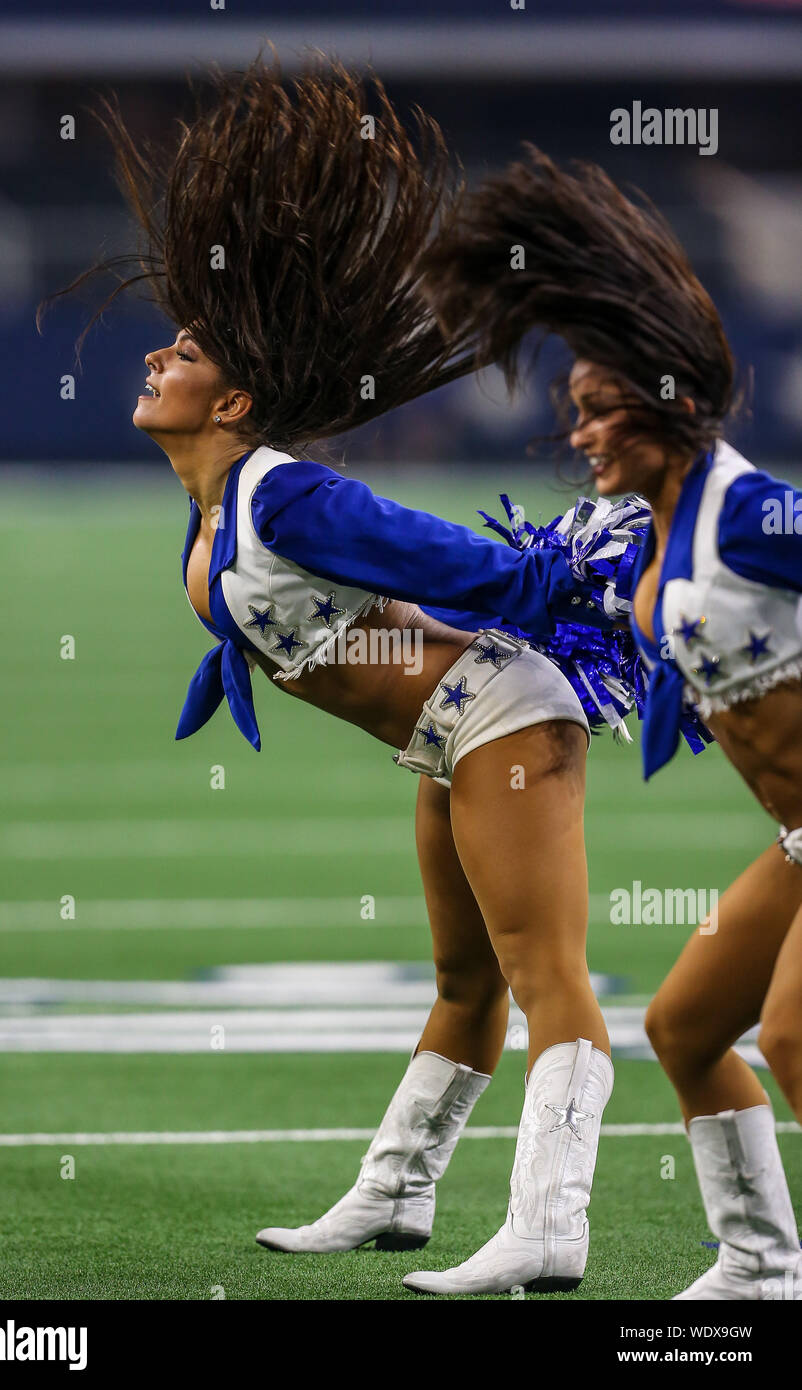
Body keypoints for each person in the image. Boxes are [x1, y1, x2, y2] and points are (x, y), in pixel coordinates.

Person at [48, 71, 636, 1296]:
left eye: (188, 349)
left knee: (545, 977)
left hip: (503, 716)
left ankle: (548, 1224)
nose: (159, 353)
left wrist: (592, 577)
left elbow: (457, 561)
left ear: (238, 402)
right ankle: (393, 1195)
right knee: (464, 981)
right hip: (446, 731)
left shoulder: (286, 492)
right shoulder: (214, 517)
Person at [421, 145, 802, 1299]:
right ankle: (758, 1265)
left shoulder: (750, 513)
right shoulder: (650, 524)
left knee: (786, 1035)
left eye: (595, 412)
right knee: (686, 1027)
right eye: (572, 412)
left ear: (665, 403)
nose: (577, 435)